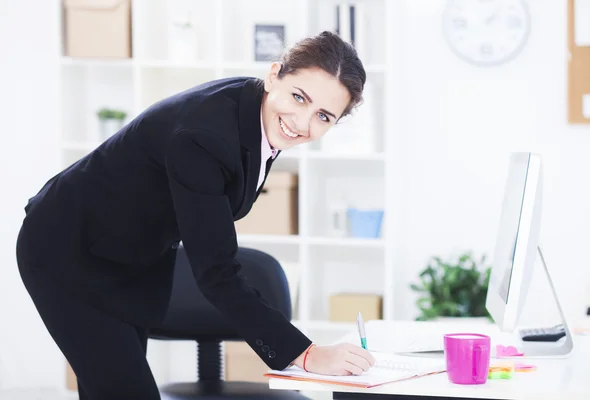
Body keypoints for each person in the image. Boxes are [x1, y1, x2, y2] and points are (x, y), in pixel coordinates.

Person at [15, 30, 375, 399]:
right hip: (67, 250)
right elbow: (216, 272)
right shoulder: (204, 138)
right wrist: (307, 354)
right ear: (273, 75)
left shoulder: (259, 111)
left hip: (129, 256)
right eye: (299, 97)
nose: (302, 122)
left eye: (323, 116)